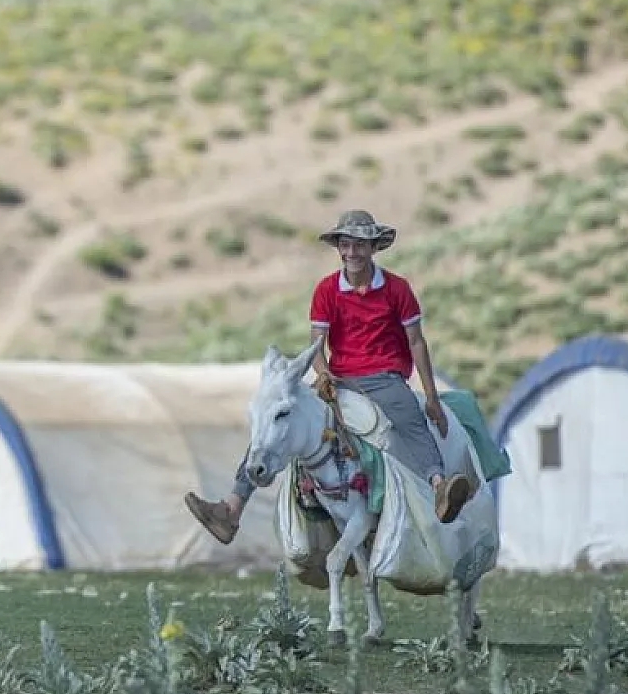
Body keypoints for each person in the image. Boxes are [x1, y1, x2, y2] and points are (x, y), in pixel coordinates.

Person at [183, 208, 475, 543]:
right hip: (338, 377)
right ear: (339, 247)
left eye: (360, 245)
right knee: (279, 414)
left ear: (374, 247)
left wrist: (432, 398)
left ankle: (439, 487)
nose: (351, 252)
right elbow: (316, 344)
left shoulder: (397, 289)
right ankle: (232, 509)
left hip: (384, 376)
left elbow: (417, 342)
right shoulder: (326, 290)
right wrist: (322, 374)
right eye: (345, 244)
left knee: (410, 417)